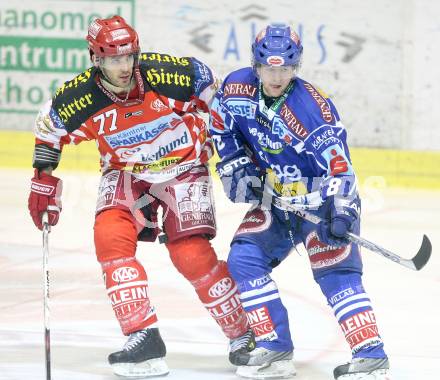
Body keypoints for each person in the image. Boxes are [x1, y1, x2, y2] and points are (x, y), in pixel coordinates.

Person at [27, 15, 254, 378]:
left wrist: (233, 148)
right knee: (109, 237)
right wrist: (43, 182)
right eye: (113, 59)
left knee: (191, 254)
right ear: (95, 59)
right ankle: (143, 337)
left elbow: (214, 92)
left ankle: (245, 335)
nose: (124, 66)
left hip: (184, 166)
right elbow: (49, 128)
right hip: (127, 172)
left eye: (129, 57)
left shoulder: (173, 76)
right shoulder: (79, 98)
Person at [209, 24, 391, 380]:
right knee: (245, 259)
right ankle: (275, 349)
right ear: (256, 64)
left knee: (335, 273)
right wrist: (236, 165)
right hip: (276, 201)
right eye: (269, 68)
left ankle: (371, 357)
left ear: (296, 67)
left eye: (285, 69)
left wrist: (341, 209)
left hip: (322, 199)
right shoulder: (235, 88)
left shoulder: (311, 108)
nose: (277, 76)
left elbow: (340, 164)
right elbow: (221, 124)